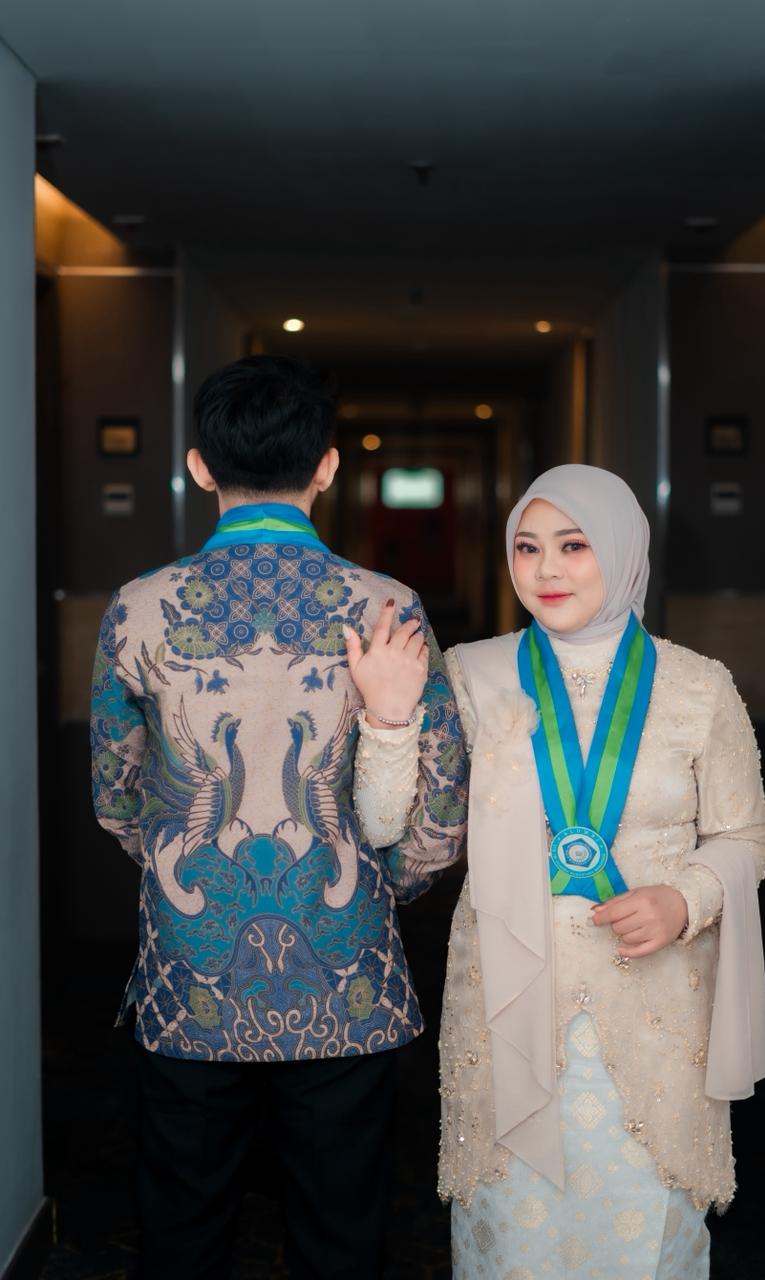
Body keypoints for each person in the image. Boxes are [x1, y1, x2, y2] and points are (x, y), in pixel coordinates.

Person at [90, 354, 468, 1280]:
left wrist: (184, 865)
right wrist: (380, 889)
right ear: (328, 467)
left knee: (182, 1223)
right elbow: (440, 808)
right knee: (340, 1228)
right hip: (345, 968)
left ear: (198, 467)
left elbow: (116, 795)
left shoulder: (138, 609)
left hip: (191, 968)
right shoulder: (389, 607)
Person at [348, 464, 765, 1279]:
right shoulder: (471, 674)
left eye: (574, 546)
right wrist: (390, 718)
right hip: (507, 995)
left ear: (622, 547)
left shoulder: (698, 686)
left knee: (644, 1232)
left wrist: (684, 899)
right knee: (516, 1235)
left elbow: (744, 835)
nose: (546, 570)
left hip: (659, 1004)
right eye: (528, 547)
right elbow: (385, 825)